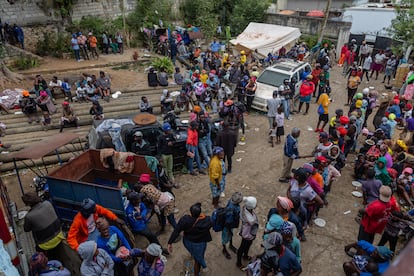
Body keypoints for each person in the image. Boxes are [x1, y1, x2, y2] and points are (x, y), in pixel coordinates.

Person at [167, 202, 212, 276]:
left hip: (188, 242)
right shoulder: (207, 220)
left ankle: (194, 256)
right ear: (200, 213)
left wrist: (170, 242)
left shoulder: (185, 220)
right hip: (200, 243)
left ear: (190, 212)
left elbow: (177, 230)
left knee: (194, 254)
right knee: (198, 260)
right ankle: (197, 273)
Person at [237, 196, 258, 270]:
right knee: (242, 247)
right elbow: (253, 223)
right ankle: (238, 262)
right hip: (247, 234)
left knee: (248, 245)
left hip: (248, 232)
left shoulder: (245, 208)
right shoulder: (250, 219)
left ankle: (245, 256)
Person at [221, 192, 243, 260]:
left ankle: (230, 245)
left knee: (230, 235)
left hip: (231, 224)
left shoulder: (231, 201)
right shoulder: (231, 209)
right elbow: (228, 222)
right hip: (228, 226)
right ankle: (224, 249)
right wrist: (229, 229)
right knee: (225, 238)